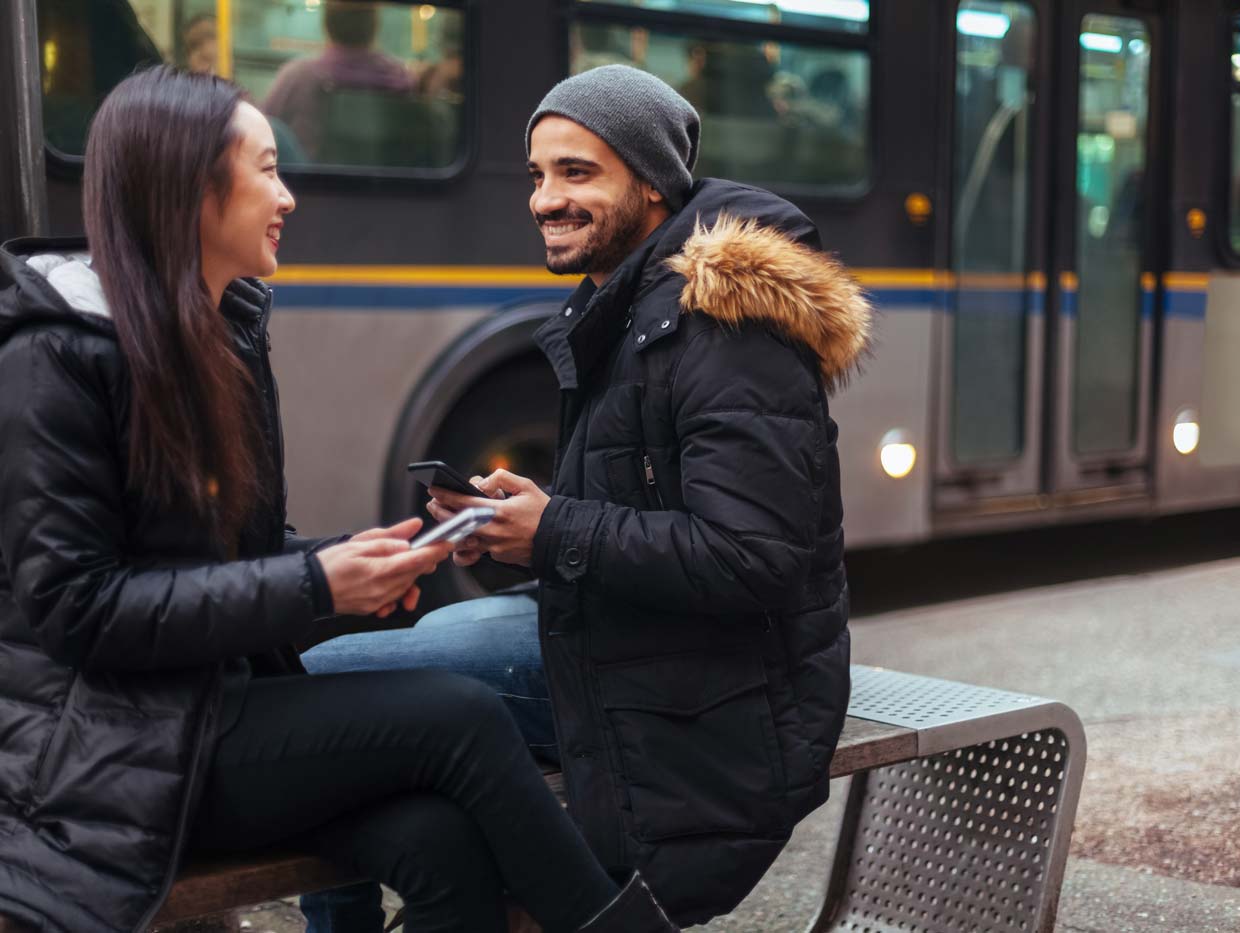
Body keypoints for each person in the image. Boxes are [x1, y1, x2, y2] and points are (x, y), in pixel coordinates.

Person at [0, 66, 675, 933]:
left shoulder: (225, 331)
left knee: (439, 841)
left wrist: (350, 560)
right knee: (459, 712)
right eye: (267, 169)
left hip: (206, 709)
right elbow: (79, 611)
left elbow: (234, 562)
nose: (287, 195)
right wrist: (316, 585)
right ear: (190, 191)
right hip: (101, 749)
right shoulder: (49, 360)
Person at [300, 64, 866, 928]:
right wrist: (523, 518)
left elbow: (754, 556)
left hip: (708, 685)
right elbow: (650, 496)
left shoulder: (723, 323)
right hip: (625, 630)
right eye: (537, 174)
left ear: (649, 184)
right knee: (399, 661)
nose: (544, 200)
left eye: (577, 172)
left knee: (318, 690)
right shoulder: (636, 299)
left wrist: (554, 527)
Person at [261, 0, 414, 159]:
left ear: (326, 25)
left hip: (309, 183)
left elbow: (262, 131)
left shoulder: (297, 76)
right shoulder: (401, 79)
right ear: (375, 25)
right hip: (388, 183)